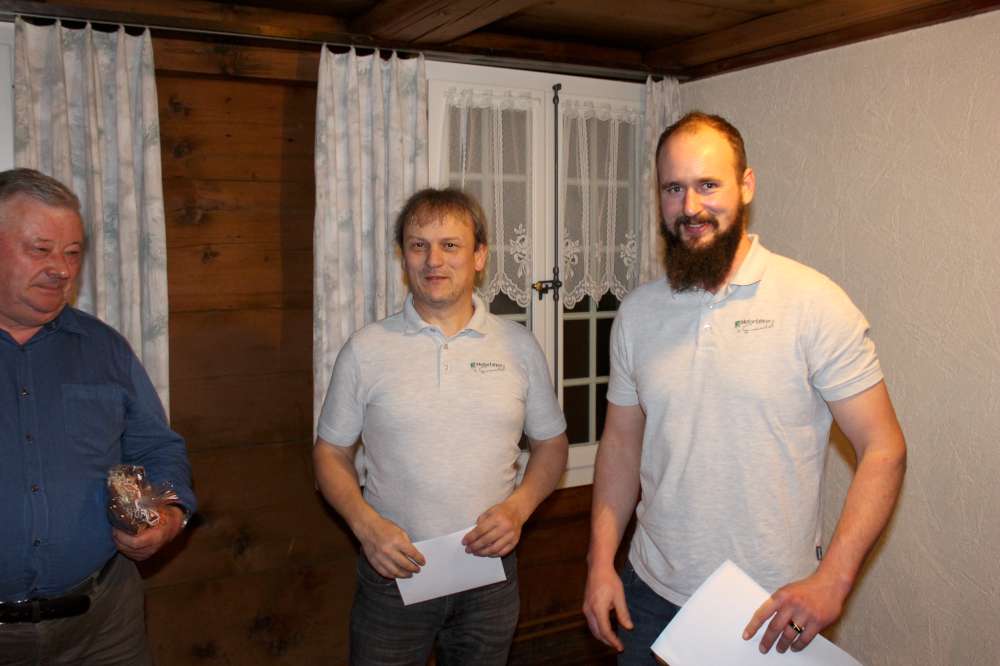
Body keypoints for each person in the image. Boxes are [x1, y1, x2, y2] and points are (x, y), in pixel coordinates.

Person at [582, 112, 907, 663]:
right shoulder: (637, 314)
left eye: (708, 184)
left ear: (746, 185)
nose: (690, 207)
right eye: (673, 188)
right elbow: (620, 445)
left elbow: (884, 447)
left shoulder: (813, 302)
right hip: (648, 592)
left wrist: (834, 579)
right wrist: (599, 562)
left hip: (770, 608)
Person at [313, 188, 569, 666]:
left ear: (479, 256)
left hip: (489, 578)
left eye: (450, 245)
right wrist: (366, 527)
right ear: (403, 256)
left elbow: (552, 445)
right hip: (394, 576)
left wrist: (518, 509)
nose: (434, 260)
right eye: (419, 245)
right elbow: (330, 453)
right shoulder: (366, 350)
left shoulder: (519, 347)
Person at [0, 168, 196, 665]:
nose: (61, 269)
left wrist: (168, 517)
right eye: (40, 250)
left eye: (72, 253)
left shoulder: (103, 348)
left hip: (104, 624)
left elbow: (157, 448)